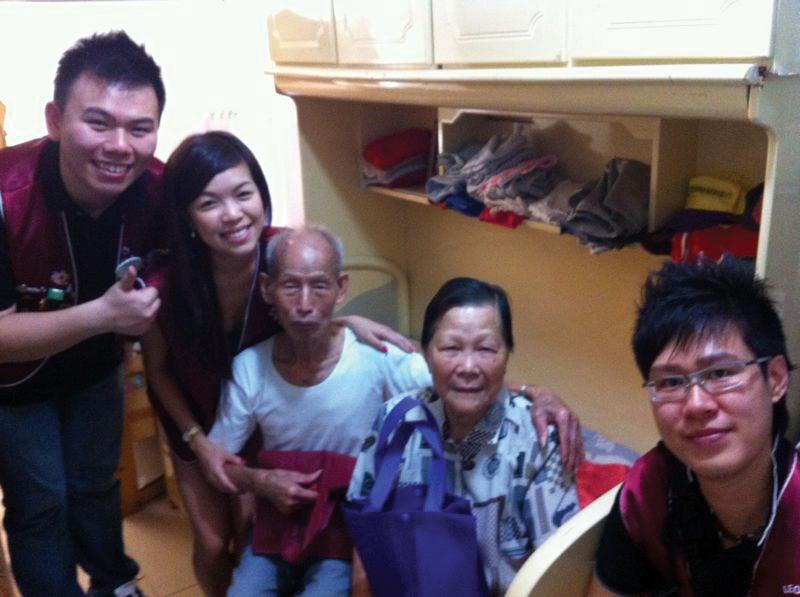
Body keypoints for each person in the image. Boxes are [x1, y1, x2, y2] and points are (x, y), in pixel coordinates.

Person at [203, 228, 582, 595]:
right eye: (290, 286)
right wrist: (260, 481)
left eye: (485, 349)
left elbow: (463, 384)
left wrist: (537, 392)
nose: (304, 303)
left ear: (340, 288)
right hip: (295, 527)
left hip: (346, 534)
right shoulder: (393, 418)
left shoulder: (378, 357)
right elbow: (221, 461)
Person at [141, 135, 420, 596]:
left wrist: (346, 321)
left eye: (243, 193)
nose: (233, 214)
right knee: (213, 543)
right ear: (186, 216)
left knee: (252, 532)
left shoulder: (280, 251)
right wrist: (197, 441)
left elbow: (312, 296)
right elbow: (157, 371)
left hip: (262, 418)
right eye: (209, 203)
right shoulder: (163, 287)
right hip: (194, 422)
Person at [0, 32, 164, 596]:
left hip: (96, 369)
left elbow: (237, 226)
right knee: (40, 503)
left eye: (139, 128)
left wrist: (337, 314)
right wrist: (105, 315)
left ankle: (114, 583)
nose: (120, 146)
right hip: (12, 386)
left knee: (96, 485)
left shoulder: (158, 186)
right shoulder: (5, 194)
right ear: (54, 119)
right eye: (98, 123)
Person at [348, 277, 581, 595]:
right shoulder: (395, 420)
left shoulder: (538, 442)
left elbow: (557, 575)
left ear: (507, 355)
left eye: (485, 349)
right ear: (426, 354)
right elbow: (365, 528)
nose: (468, 366)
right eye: (451, 348)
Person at [587, 258, 797, 597]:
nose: (697, 404)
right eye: (671, 382)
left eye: (720, 373)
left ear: (774, 379)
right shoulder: (651, 491)